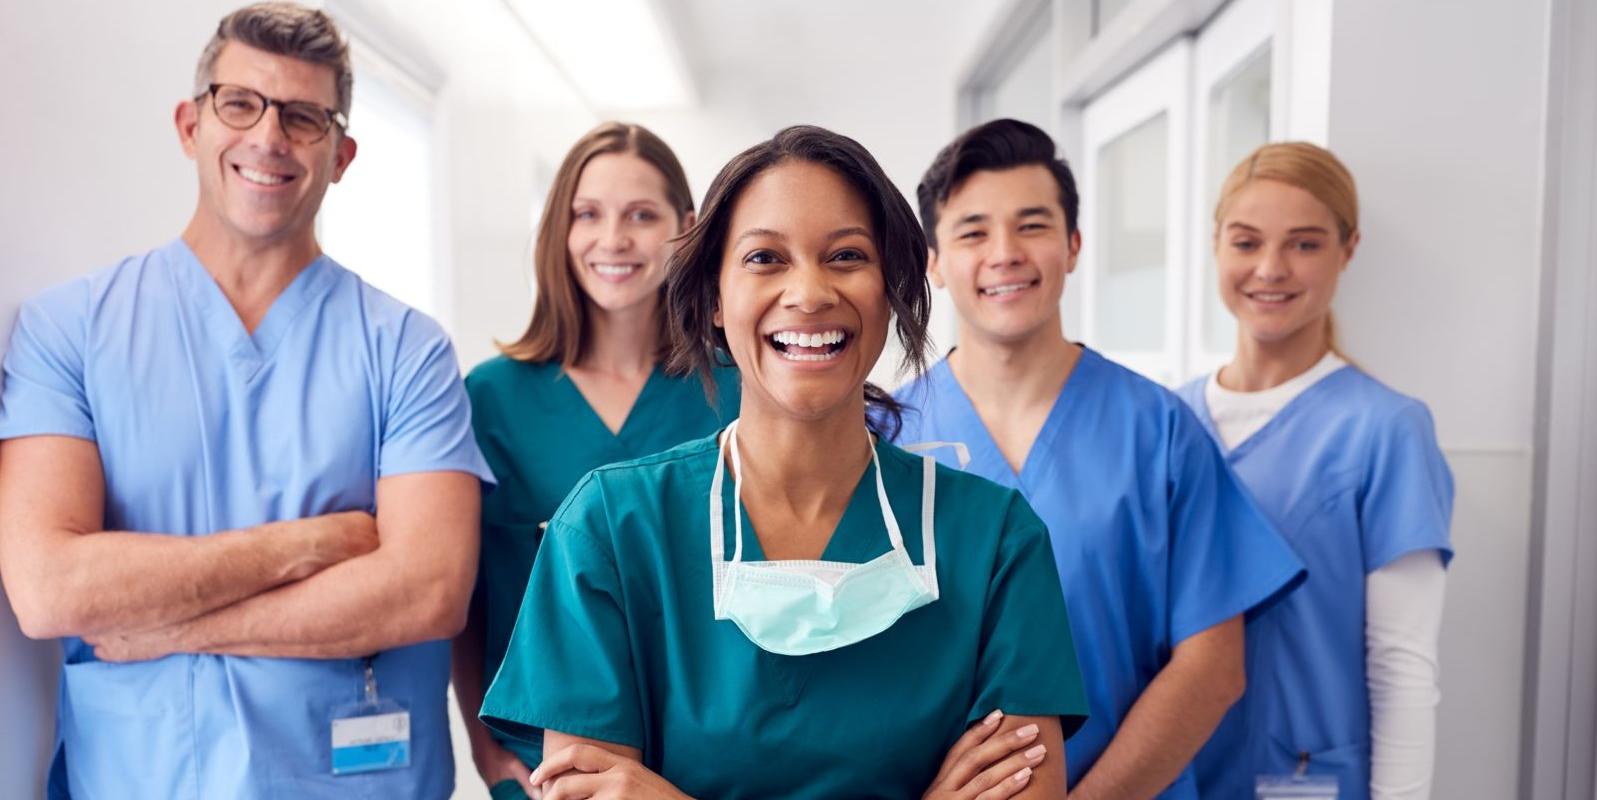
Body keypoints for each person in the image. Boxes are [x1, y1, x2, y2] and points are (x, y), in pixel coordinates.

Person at [478, 125, 1089, 799]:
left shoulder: (995, 540)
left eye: (847, 256)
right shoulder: (609, 531)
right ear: (712, 297)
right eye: (765, 258)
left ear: (892, 287)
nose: (808, 292)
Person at [0, 4, 493, 798]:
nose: (268, 138)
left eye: (304, 117)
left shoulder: (407, 349)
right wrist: (299, 547)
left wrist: (163, 624)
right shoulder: (71, 330)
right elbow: (49, 588)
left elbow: (427, 590)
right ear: (190, 124)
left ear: (342, 155)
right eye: (240, 104)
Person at [894, 118, 1304, 798]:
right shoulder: (883, 438)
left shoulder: (1158, 430)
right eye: (972, 232)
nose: (1004, 253)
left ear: (1073, 244)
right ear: (933, 259)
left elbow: (1211, 664)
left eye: (1031, 225)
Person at [451, 122, 738, 800]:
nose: (613, 239)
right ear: (559, 229)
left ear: (685, 229)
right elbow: (468, 600)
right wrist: (484, 747)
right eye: (589, 214)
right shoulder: (491, 399)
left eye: (642, 215)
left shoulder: (734, 389)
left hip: (705, 771)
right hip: (546, 771)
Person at [1178, 142, 1453, 800]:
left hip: (1306, 778)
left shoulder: (1385, 430)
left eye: (1303, 244)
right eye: (1245, 242)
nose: (1270, 269)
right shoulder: (1168, 419)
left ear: (1346, 249)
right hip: (1174, 775)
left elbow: (1402, 669)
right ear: (1215, 243)